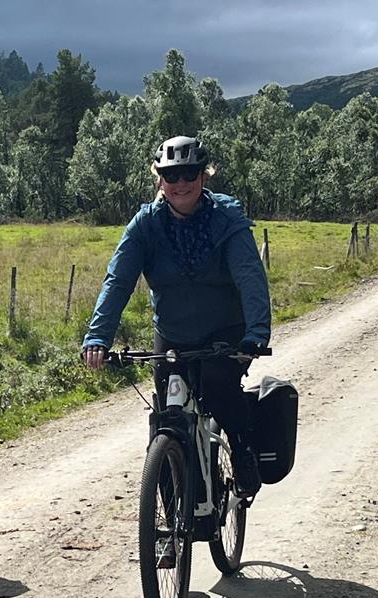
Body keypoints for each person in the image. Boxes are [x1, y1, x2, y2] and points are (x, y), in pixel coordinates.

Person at [81, 135, 272, 496]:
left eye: (189, 174)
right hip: (172, 332)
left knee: (218, 385)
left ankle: (242, 447)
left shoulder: (226, 217)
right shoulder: (145, 225)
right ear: (159, 180)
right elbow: (117, 281)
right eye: (172, 176)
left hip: (225, 330)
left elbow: (250, 276)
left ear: (204, 176)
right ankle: (168, 541)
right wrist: (98, 336)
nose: (181, 183)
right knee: (167, 421)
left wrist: (256, 333)